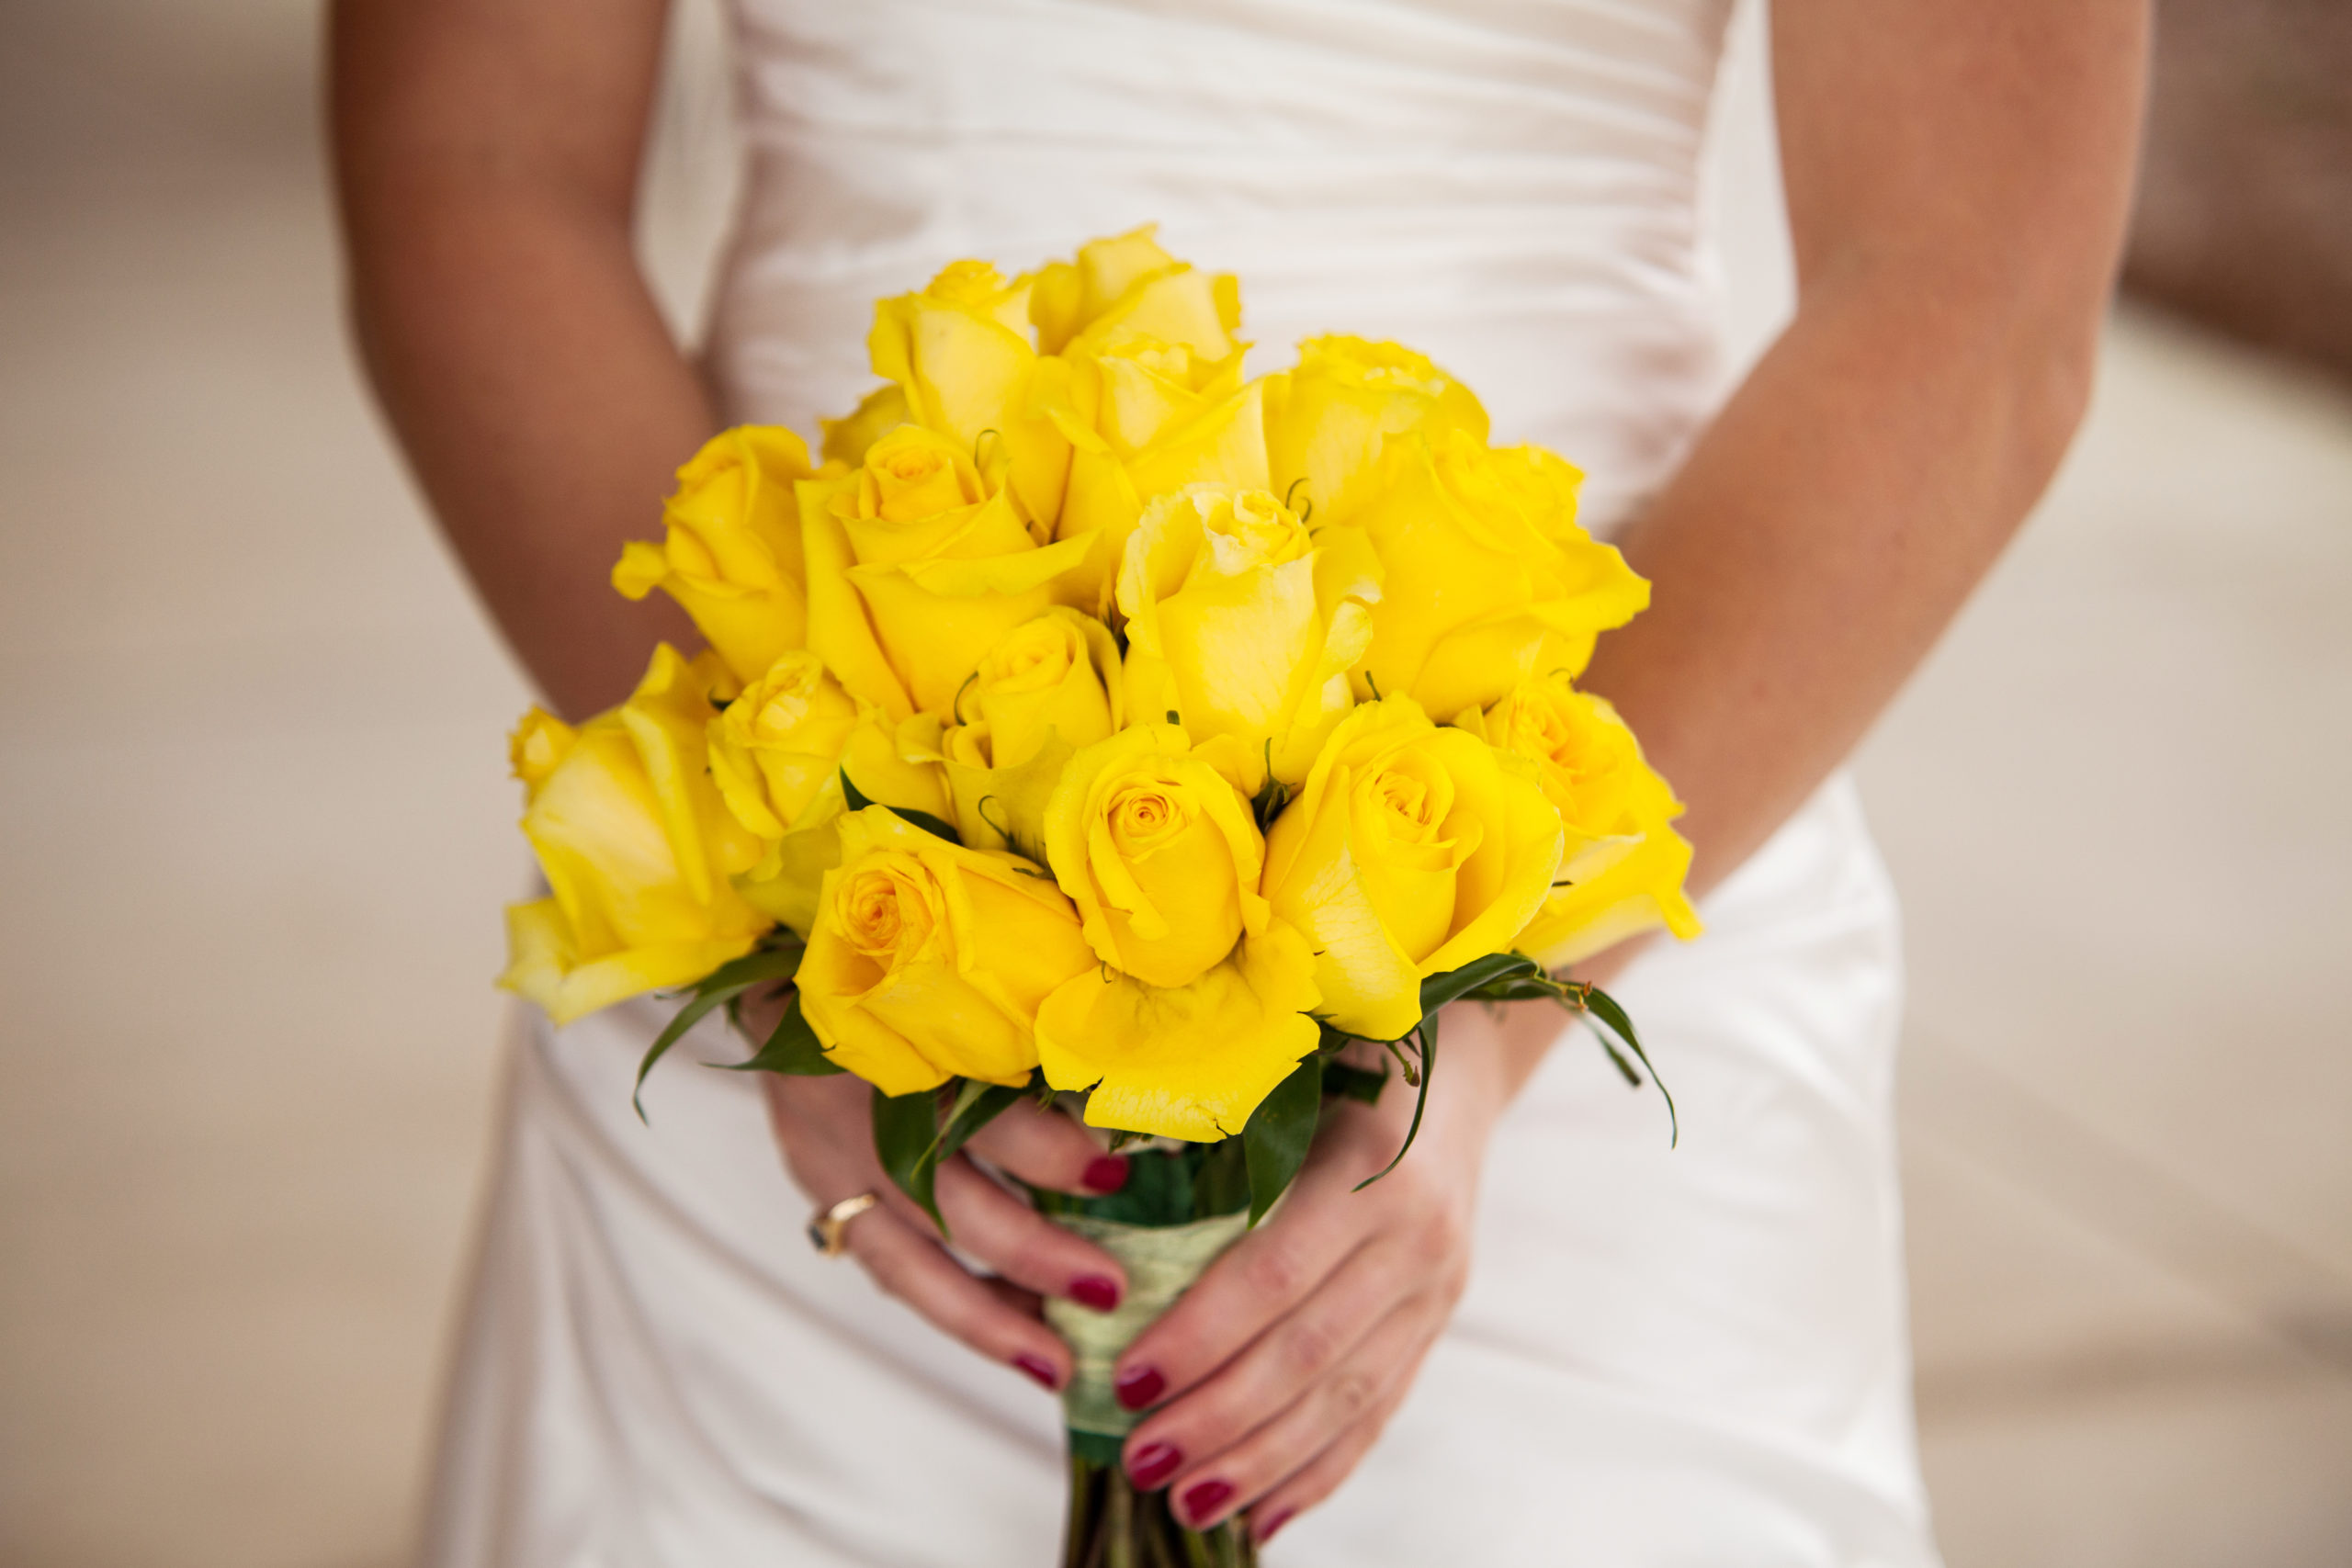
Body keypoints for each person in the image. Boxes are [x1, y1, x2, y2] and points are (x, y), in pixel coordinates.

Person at [331, 1, 2146, 1562]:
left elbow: (1972, 291)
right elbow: (473, 167)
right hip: (800, 889)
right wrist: (804, 937)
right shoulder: (801, 928)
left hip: (1613, 840)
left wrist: (1487, 1021)